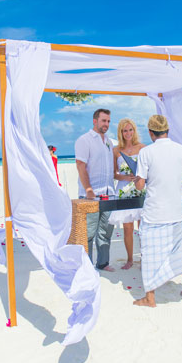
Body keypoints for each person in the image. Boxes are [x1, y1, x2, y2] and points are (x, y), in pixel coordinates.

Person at [132, 115, 182, 307]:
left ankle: (150, 298)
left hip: (154, 215)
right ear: (168, 130)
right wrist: (176, 179)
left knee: (150, 255)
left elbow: (140, 186)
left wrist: (137, 180)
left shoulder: (146, 152)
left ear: (151, 133)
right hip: (176, 213)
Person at [75, 108, 116, 272]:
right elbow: (80, 165)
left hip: (109, 194)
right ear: (95, 121)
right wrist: (89, 189)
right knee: (89, 233)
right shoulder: (84, 140)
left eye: (108, 121)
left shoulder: (109, 142)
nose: (106, 124)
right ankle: (86, 267)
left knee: (105, 232)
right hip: (91, 195)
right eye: (103, 121)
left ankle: (103, 263)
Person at [109, 118, 146, 270]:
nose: (128, 133)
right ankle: (130, 259)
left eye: (130, 130)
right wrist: (125, 177)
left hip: (140, 189)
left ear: (134, 131)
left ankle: (145, 257)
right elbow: (114, 174)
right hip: (124, 190)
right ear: (121, 133)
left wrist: (139, 175)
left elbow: (149, 169)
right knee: (128, 228)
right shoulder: (116, 150)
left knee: (143, 226)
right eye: (125, 130)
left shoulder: (143, 148)